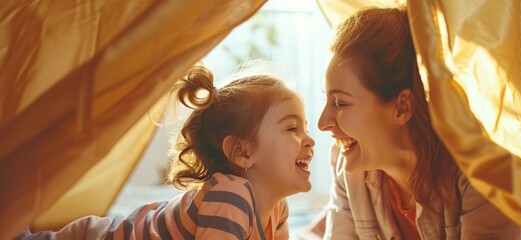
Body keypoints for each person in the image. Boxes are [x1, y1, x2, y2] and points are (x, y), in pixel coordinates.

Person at [18, 63, 315, 240]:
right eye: (292, 129)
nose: (309, 140)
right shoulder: (231, 195)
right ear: (241, 152)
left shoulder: (277, 207)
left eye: (304, 127)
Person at [316, 6, 521, 240]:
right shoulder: (348, 169)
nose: (322, 123)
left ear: (402, 106)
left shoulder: (482, 176)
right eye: (327, 100)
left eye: (340, 103)